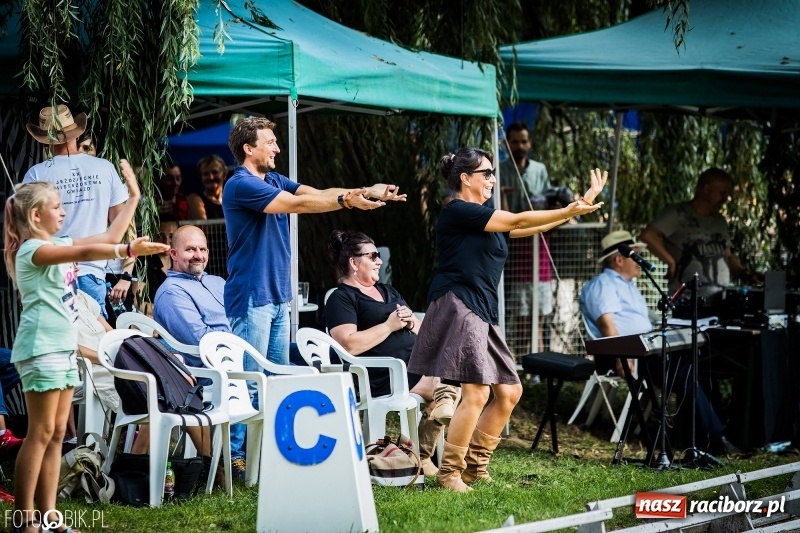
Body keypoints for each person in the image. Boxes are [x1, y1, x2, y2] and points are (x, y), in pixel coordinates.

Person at [407, 147, 606, 492]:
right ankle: (449, 474)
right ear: (465, 178)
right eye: (486, 174)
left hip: (482, 309)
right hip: (459, 304)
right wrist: (569, 208)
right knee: (476, 392)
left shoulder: (484, 217)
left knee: (510, 391)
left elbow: (529, 227)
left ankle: (474, 467)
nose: (493, 180)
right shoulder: (457, 212)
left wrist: (578, 207)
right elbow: (516, 220)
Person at [3, 162, 167, 533]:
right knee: (40, 433)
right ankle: (24, 520)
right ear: (35, 215)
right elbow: (94, 250)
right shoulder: (33, 250)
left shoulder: (57, 243)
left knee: (58, 434)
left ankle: (50, 519)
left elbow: (106, 235)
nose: (64, 212)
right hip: (40, 348)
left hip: (62, 348)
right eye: (58, 207)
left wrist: (133, 199)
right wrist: (125, 247)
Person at [222, 117, 405, 378]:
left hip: (276, 296)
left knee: (277, 383)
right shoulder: (241, 184)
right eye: (270, 143)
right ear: (248, 149)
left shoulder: (273, 180)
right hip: (253, 296)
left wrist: (368, 192)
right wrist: (347, 201)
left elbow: (319, 194)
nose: (277, 149)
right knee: (252, 385)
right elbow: (297, 205)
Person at [579, 230, 741, 457]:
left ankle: (699, 435)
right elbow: (607, 325)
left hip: (644, 350)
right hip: (625, 355)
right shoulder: (604, 284)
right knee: (684, 373)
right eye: (635, 255)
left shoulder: (628, 285)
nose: (640, 261)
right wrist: (620, 355)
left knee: (696, 365)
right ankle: (715, 439)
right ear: (619, 259)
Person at [323, 230, 460, 476]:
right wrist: (388, 326)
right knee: (448, 385)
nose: (379, 261)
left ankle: (423, 454)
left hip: (411, 367)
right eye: (372, 256)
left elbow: (421, 330)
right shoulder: (341, 298)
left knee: (449, 382)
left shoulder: (388, 291)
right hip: (377, 376)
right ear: (354, 263)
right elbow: (349, 345)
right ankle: (425, 454)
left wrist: (410, 323)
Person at [23, 105, 132, 318]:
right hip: (93, 272)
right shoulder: (104, 168)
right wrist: (127, 274)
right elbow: (122, 225)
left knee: (59, 342)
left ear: (45, 139)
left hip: (52, 274)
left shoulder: (36, 174)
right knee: (94, 340)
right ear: (77, 132)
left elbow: (28, 235)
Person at [640, 168, 758, 302]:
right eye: (722, 193)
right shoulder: (678, 214)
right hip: (689, 302)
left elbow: (728, 256)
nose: (726, 199)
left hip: (720, 300)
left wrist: (745, 274)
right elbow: (648, 235)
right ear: (707, 189)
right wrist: (670, 262)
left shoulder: (719, 221)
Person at [500, 122, 555, 356]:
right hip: (513, 247)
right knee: (520, 316)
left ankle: (536, 367)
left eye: (524, 141)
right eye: (515, 141)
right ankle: (521, 364)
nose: (520, 146)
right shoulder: (499, 170)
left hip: (539, 246)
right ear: (506, 144)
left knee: (539, 317)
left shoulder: (539, 170)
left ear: (529, 143)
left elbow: (548, 199)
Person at [187, 155, 226, 220]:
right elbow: (203, 225)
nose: (211, 177)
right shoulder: (194, 199)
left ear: (224, 175)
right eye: (206, 174)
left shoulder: (233, 199)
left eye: (215, 172)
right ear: (201, 178)